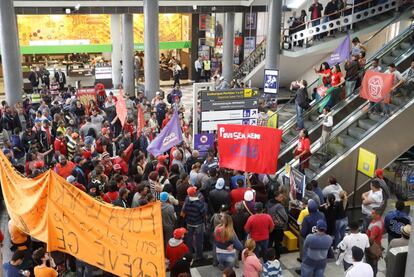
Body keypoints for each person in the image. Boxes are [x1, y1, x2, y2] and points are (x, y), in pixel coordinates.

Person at [182, 186, 206, 261]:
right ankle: (199, 256)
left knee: (189, 239)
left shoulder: (186, 200)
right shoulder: (199, 203)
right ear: (195, 193)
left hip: (189, 223)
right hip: (198, 223)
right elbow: (203, 213)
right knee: (199, 240)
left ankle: (190, 254)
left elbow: (184, 211)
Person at [267, 191, 288, 255]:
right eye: (280, 197)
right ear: (276, 197)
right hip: (278, 227)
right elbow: (285, 217)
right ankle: (277, 256)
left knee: (270, 242)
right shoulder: (279, 206)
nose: (282, 198)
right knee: (277, 243)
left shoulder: (269, 202)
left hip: (270, 226)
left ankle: (268, 255)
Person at [366, 207, 384, 276]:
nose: (371, 214)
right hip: (377, 245)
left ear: (377, 214)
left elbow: (371, 239)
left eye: (373, 213)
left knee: (372, 264)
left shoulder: (375, 226)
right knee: (374, 263)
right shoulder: (379, 221)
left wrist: (366, 244)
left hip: (373, 248)